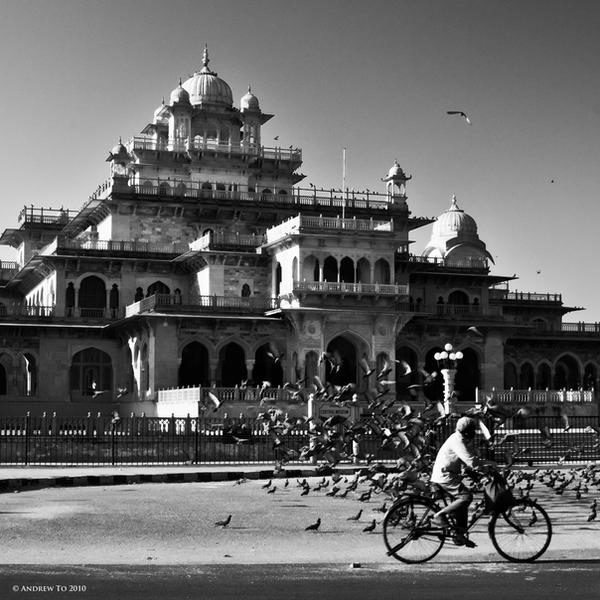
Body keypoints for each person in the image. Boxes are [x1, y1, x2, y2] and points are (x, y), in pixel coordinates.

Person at [430, 416, 492, 547]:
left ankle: (459, 533)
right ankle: (439, 516)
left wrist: (477, 471)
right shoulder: (458, 441)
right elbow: (470, 460)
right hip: (445, 476)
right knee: (466, 496)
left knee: (463, 500)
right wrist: (485, 470)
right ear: (469, 431)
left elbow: (468, 460)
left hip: (448, 474)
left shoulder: (459, 439)